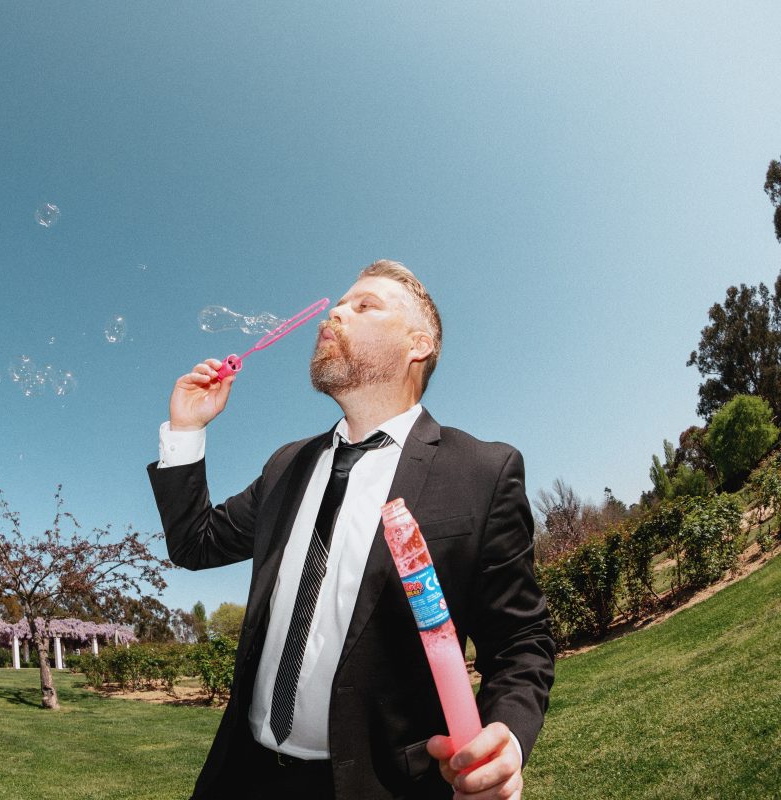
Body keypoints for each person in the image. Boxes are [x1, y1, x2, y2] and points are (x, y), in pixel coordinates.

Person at [148, 261, 554, 799]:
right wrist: (185, 429)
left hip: (378, 786)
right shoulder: (284, 467)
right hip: (242, 775)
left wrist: (508, 737)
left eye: (364, 306)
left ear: (418, 345)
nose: (335, 312)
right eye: (339, 303)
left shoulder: (481, 472)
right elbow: (194, 543)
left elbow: (521, 643)